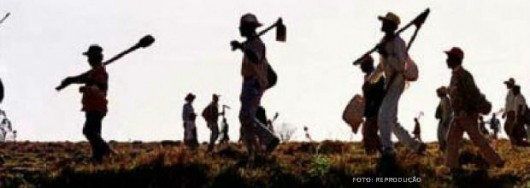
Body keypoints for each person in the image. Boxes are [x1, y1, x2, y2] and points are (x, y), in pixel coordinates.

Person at [372, 12, 425, 157]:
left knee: (383, 114)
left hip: (397, 82)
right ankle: (415, 146)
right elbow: (381, 66)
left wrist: (386, 54)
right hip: (389, 82)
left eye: (385, 22)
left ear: (391, 26)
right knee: (392, 121)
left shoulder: (398, 43)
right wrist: (371, 79)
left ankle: (388, 149)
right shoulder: (384, 41)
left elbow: (402, 66)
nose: (382, 24)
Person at [443, 47, 504, 171]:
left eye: (449, 57)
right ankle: (452, 168)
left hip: (466, 114)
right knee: (451, 139)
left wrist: (468, 110)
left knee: (477, 138)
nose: (447, 60)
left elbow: (472, 93)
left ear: (456, 59)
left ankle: (497, 161)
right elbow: (458, 94)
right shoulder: (455, 75)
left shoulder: (464, 75)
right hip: (458, 114)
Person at [231, 13, 280, 157]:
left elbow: (256, 59)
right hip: (248, 83)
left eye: (242, 26)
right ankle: (253, 151)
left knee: (247, 116)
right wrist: (242, 47)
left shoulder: (256, 44)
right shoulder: (251, 43)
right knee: (245, 118)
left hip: (254, 84)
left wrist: (242, 48)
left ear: (248, 28)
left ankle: (269, 140)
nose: (239, 29)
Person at [56, 45, 113, 162]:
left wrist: (86, 88)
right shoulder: (94, 72)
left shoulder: (100, 72)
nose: (88, 60)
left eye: (90, 57)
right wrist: (70, 80)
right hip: (92, 106)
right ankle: (98, 157)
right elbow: (83, 78)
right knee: (94, 132)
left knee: (89, 131)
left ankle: (107, 152)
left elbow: (100, 87)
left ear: (95, 58)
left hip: (97, 106)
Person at [359, 55, 383, 154]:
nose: (361, 67)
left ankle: (377, 154)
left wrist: (372, 106)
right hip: (371, 109)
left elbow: (378, 93)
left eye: (362, 65)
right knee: (369, 133)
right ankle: (381, 153)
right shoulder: (368, 76)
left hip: (375, 109)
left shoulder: (376, 76)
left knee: (369, 133)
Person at [436, 86, 453, 151]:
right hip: (443, 120)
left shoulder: (445, 100)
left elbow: (447, 111)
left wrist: (445, 120)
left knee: (443, 135)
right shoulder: (443, 100)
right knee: (441, 135)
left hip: (445, 120)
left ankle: (446, 150)